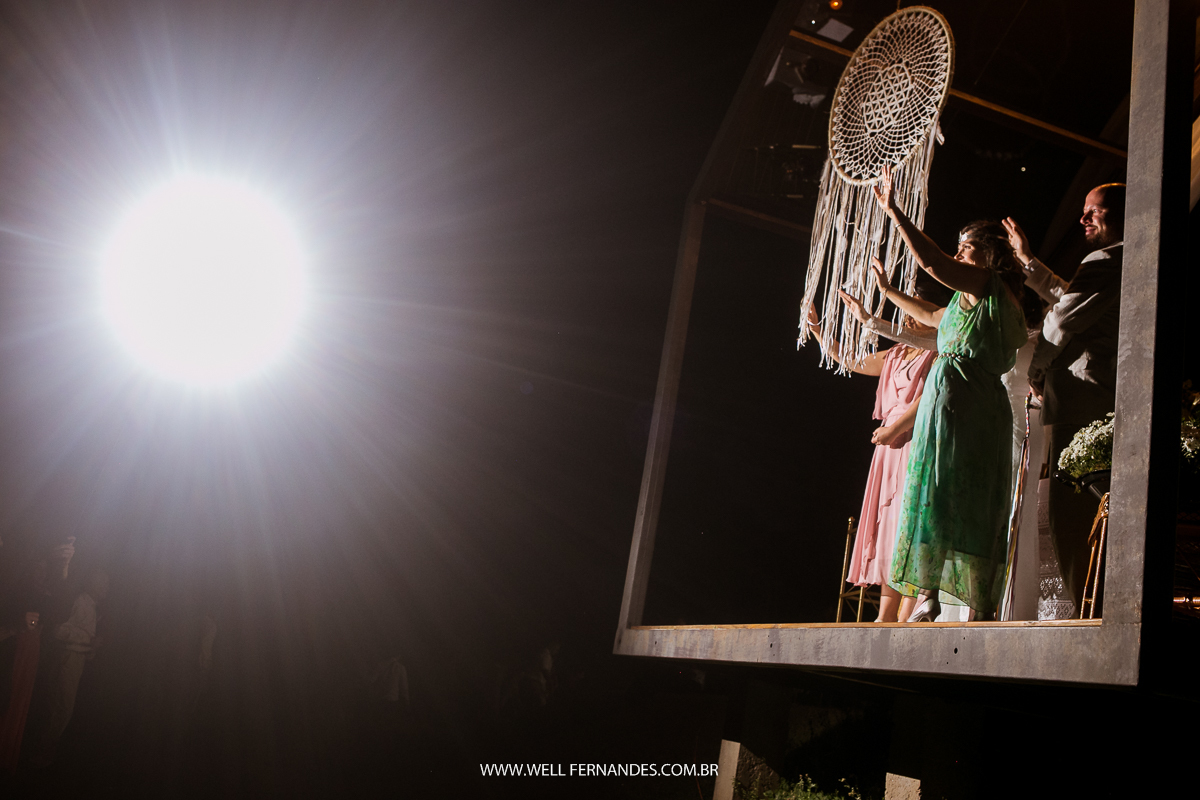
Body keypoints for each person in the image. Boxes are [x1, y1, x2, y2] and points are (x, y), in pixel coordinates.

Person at [871, 166, 1028, 621]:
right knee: (937, 494)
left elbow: (933, 263)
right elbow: (931, 312)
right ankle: (930, 594)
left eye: (968, 245)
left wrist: (895, 212)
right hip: (949, 407)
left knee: (956, 494)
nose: (960, 251)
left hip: (969, 409)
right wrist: (887, 292)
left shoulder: (990, 289)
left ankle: (969, 601)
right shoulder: (965, 303)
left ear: (991, 255)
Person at [1003, 184, 1124, 610]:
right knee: (1070, 514)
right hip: (1085, 402)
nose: (1083, 218)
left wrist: (1037, 368)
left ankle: (1090, 612)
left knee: (1070, 519)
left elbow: (1062, 316)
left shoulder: (1111, 257)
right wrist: (1027, 260)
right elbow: (1068, 294)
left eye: (1095, 210)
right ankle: (1088, 606)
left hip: (1081, 402)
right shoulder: (1111, 263)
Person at [806, 296, 937, 623]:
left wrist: (894, 429)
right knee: (888, 528)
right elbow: (853, 361)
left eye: (913, 313)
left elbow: (925, 399)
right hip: (887, 447)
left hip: (913, 439)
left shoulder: (936, 354)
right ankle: (884, 614)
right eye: (904, 315)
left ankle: (909, 614)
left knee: (909, 525)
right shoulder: (894, 354)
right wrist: (818, 329)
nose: (907, 321)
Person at [29, 568, 108, 766]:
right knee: (61, 707)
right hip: (68, 658)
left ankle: (44, 749)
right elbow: (59, 631)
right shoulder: (81, 602)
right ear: (92, 583)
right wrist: (89, 641)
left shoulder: (94, 606)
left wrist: (91, 647)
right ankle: (42, 751)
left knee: (61, 706)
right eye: (103, 583)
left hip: (76, 659)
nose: (106, 587)